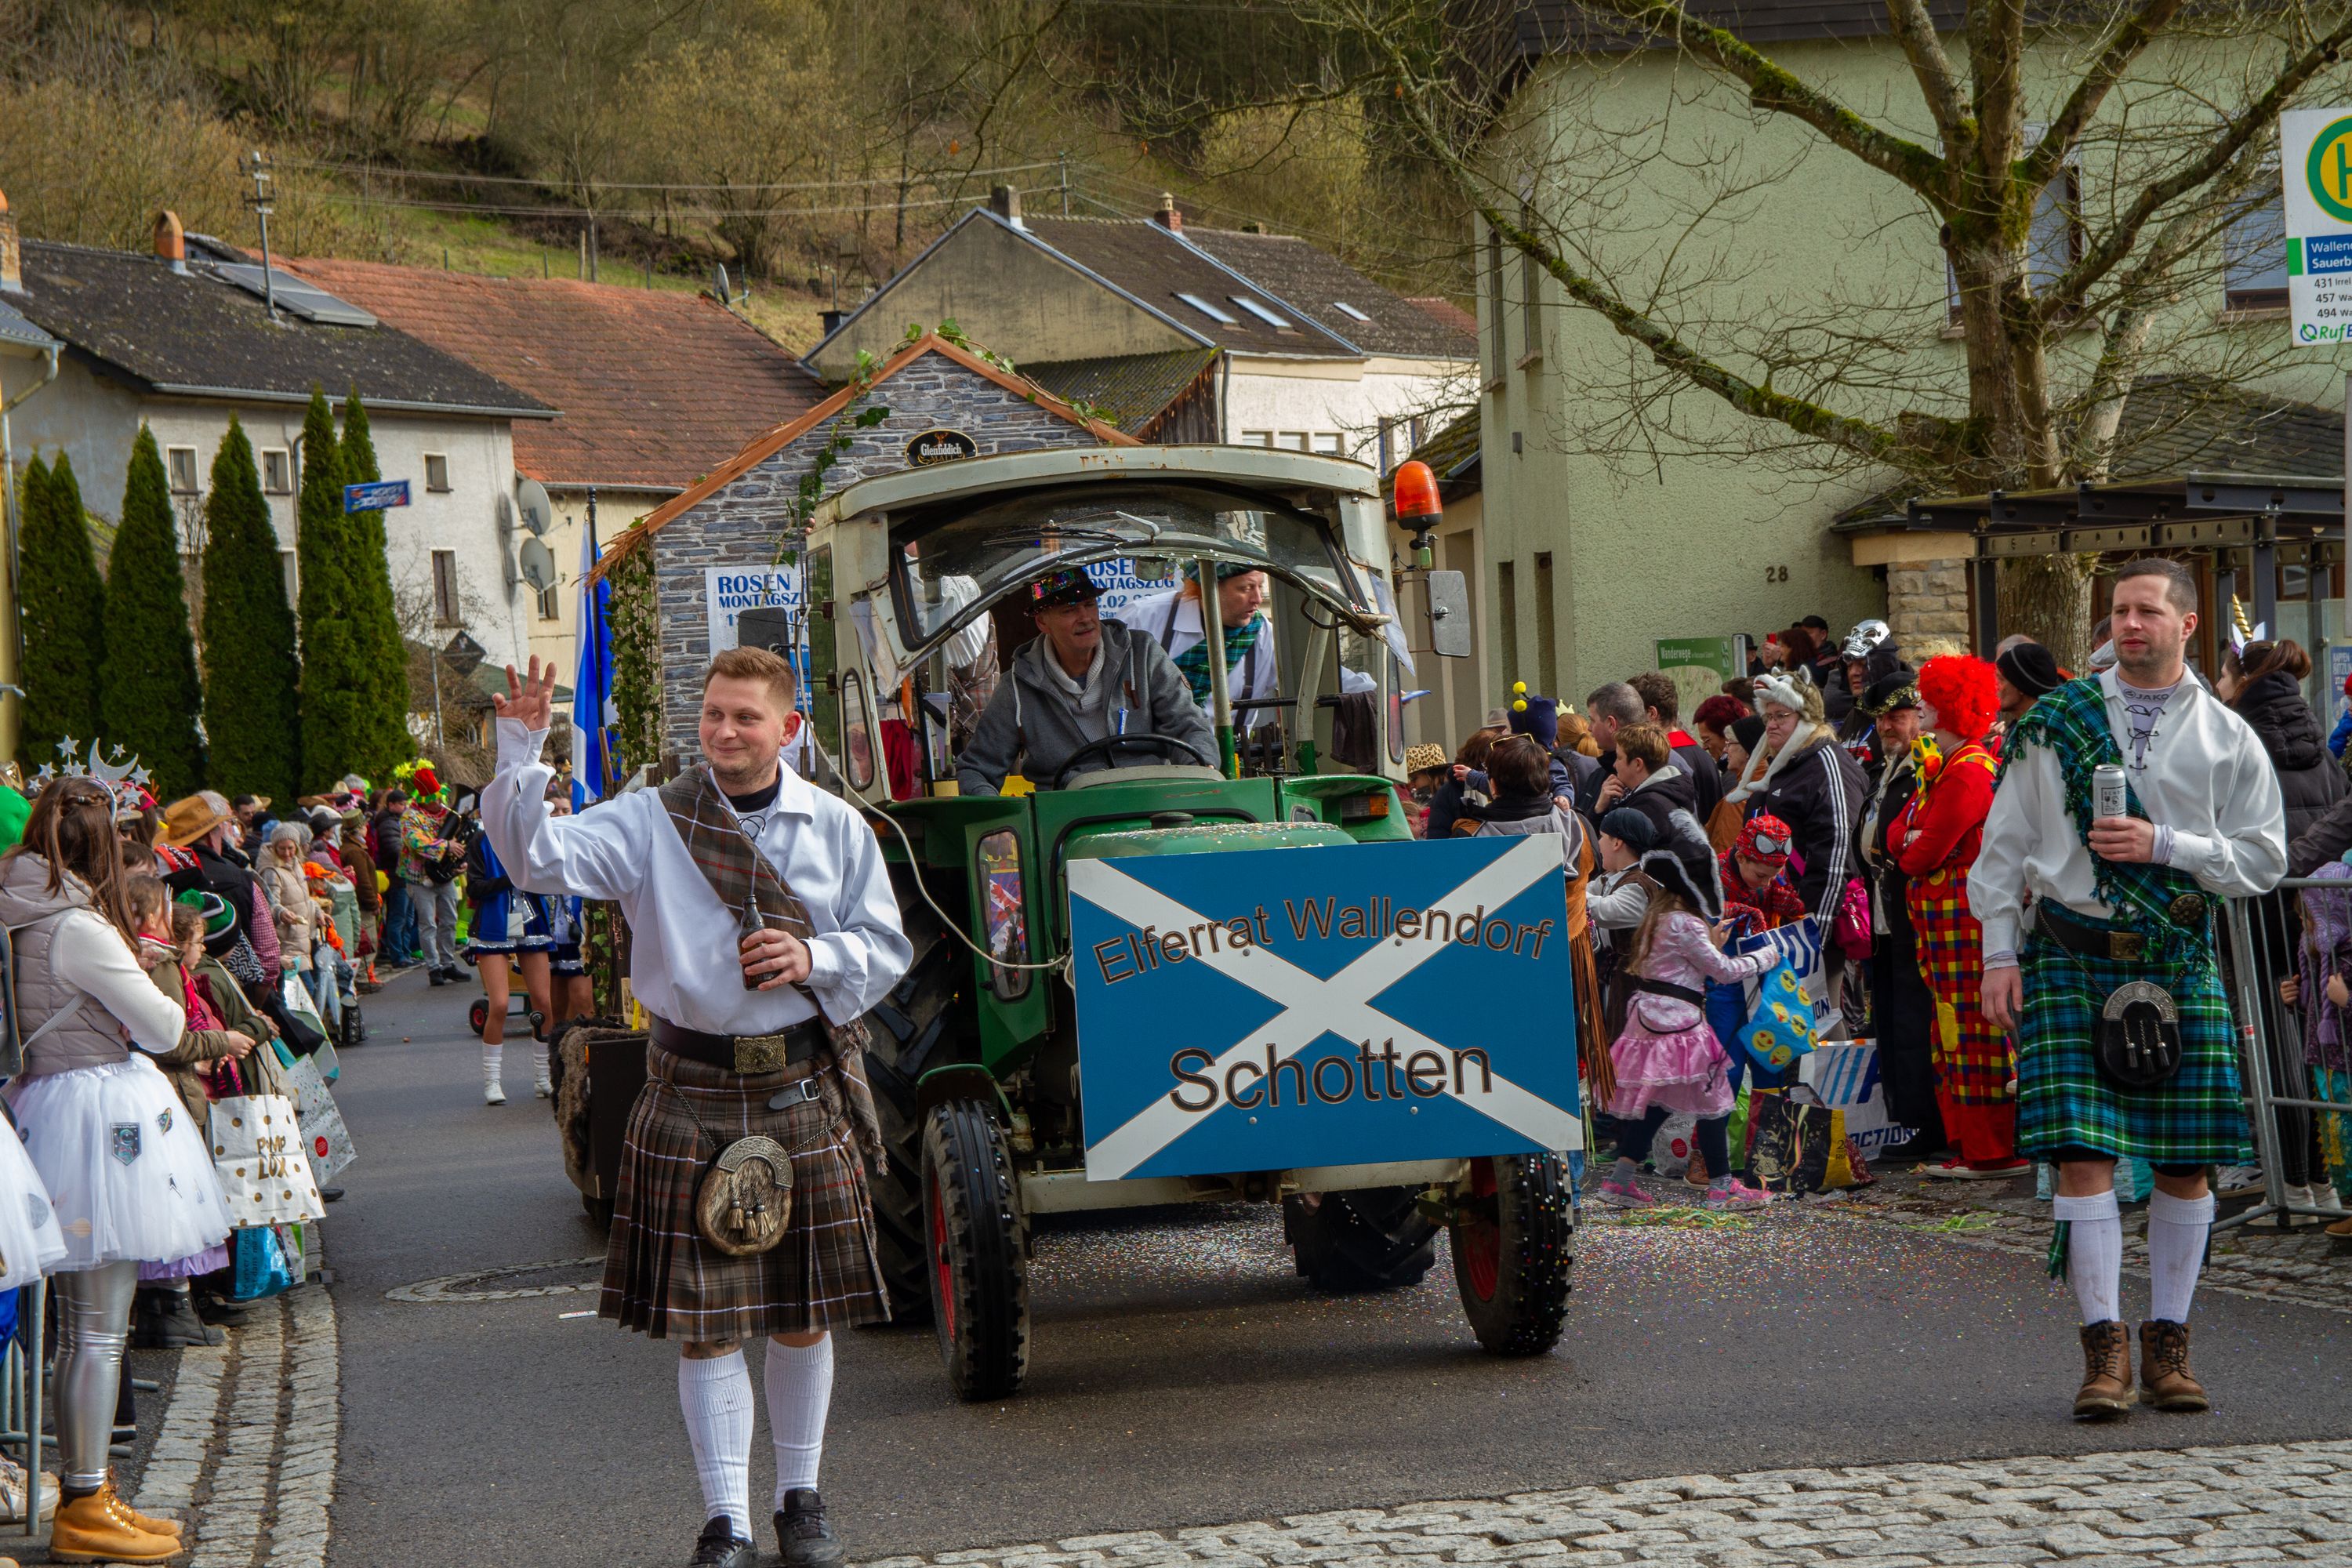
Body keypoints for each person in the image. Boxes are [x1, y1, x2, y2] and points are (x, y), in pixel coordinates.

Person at [484, 648, 912, 1568]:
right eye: (714, 714)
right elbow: (535, 857)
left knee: (803, 1309)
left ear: (788, 728)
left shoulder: (837, 827)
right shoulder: (651, 820)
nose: (724, 731)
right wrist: (520, 746)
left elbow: (886, 944)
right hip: (689, 1088)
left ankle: (801, 1499)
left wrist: (815, 959)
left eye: (745, 717)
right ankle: (728, 1520)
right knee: (707, 1321)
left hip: (799, 1084)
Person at [1975, 557, 2285, 1420]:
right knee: (2085, 1159)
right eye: (2119, 611)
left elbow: (2265, 861)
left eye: (2147, 611)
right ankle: (2104, 1345)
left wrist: (2165, 843)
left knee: (2188, 1163)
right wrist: (2001, 952)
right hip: (2072, 956)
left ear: (2188, 623)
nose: (2129, 625)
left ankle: (2170, 1341)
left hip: (2179, 959)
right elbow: (2004, 846)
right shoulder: (2056, 723)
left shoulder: (2230, 737)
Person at [0, 781, 230, 1562]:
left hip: (45, 1107)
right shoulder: (76, 924)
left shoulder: (16, 906)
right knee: (99, 1327)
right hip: (97, 1114)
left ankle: (89, 1491)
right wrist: (145, 960)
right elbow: (163, 1024)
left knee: (76, 1329)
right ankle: (86, 1498)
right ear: (102, 845)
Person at [1595, 810, 1775, 1210]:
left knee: (1658, 1104)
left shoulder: (1659, 916)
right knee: (1713, 1102)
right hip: (1681, 1026)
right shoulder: (1687, 924)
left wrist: (1710, 938)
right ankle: (1722, 1186)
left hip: (1647, 1020)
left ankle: (1620, 1181)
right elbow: (1723, 972)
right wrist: (1766, 957)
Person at [1892, 655, 2024, 1178]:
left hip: (1968, 933)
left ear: (1948, 707)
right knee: (1953, 1035)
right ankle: (1969, 1145)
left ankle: (1992, 1150)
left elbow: (1917, 854)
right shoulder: (1940, 767)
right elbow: (1899, 835)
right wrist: (1913, 839)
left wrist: (1914, 843)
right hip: (1945, 938)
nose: (1918, 708)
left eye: (1926, 700)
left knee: (1976, 1036)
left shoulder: (1968, 773)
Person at [957, 568, 1213, 795]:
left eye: (1089, 604)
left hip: (1151, 800)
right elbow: (977, 769)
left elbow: (1188, 725)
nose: (1085, 618)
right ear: (1042, 621)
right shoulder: (1016, 686)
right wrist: (996, 817)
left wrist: (1201, 771)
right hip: (1066, 816)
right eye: (1069, 610)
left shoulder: (1142, 653)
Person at [132, 891, 251, 1350]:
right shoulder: (158, 962)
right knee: (177, 1203)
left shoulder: (161, 961)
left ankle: (164, 1311)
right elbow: (170, 1039)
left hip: (164, 1088)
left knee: (168, 1202)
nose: (198, 951)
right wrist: (221, 1043)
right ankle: (174, 1310)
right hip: (168, 1092)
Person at [1726, 669, 1867, 993]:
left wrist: (1814, 928)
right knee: (1787, 1021)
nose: (1772, 723)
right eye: (1767, 717)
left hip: (1810, 920)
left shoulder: (1827, 764)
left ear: (1806, 717)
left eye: (1781, 715)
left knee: (1817, 1016)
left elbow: (1836, 853)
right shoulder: (1787, 765)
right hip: (1780, 920)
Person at [1853, 670, 1944, 1152]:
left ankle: (1932, 1125)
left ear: (1919, 717)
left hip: (1917, 917)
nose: (1886, 726)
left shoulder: (1928, 767)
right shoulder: (1888, 768)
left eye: (1897, 716)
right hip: (1884, 917)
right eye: (1881, 719)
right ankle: (1912, 1120)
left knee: (1917, 1020)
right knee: (1891, 1018)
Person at [465, 829, 559, 1105]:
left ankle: (544, 1076)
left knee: (543, 1002)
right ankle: (492, 1081)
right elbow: (474, 887)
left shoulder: (532, 836)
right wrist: (510, 880)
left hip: (532, 922)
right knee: (500, 1004)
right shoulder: (481, 840)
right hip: (494, 924)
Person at [1116, 563, 1278, 712]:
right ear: (1209, 588)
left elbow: (1296, 686)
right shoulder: (1142, 617)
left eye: (1260, 586)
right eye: (1245, 588)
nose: (1258, 599)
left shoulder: (1264, 634)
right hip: (1154, 741)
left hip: (1231, 743)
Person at [1626, 672, 1723, 821]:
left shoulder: (1665, 759)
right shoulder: (1701, 755)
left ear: (1652, 713)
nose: (1629, 722)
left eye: (1633, 713)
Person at [401, 770, 467, 985]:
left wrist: (459, 861)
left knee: (450, 920)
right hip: (420, 878)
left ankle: (448, 964)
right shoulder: (410, 817)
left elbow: (459, 841)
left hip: (445, 876)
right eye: (435, 800)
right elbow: (415, 843)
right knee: (428, 923)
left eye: (441, 798)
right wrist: (447, 845)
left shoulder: (446, 813)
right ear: (424, 800)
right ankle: (434, 968)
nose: (440, 803)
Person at [1595, 722, 1696, 843]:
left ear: (1638, 764)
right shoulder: (1670, 791)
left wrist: (1599, 810)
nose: (1614, 765)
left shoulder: (1647, 809)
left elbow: (1607, 853)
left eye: (1619, 758)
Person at [1719, 814, 1806, 931]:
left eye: (1775, 875)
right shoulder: (1715, 875)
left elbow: (1798, 908)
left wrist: (1793, 906)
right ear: (1740, 858)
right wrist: (1735, 910)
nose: (1767, 884)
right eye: (1760, 876)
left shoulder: (1775, 873)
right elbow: (1698, 913)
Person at [1575, 682, 1644, 816]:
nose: (1589, 728)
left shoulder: (1657, 771)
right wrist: (1597, 809)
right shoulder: (1600, 774)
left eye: (1593, 720)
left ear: (1611, 724)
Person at [373, 789, 419, 967]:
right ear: (391, 805)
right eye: (401, 804)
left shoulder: (397, 821)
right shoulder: (387, 823)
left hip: (404, 876)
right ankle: (398, 956)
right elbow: (394, 849)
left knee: (407, 919)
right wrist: (413, 851)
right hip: (396, 876)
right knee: (398, 918)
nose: (404, 807)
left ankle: (405, 953)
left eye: (405, 803)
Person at [1996, 640, 2066, 727]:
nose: (1995, 685)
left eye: (2001, 679)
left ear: (2021, 686)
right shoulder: (2021, 730)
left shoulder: (2047, 735)